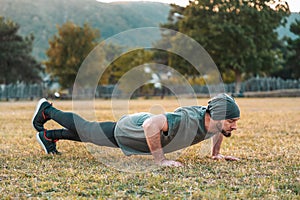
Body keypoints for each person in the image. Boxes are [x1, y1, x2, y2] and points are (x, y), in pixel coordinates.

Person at [32, 93, 240, 167]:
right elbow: (151, 125)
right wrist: (160, 160)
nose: (234, 126)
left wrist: (216, 154)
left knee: (93, 136)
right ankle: (47, 110)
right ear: (217, 116)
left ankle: (49, 136)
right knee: (88, 130)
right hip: (135, 129)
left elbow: (219, 132)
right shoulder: (186, 120)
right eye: (231, 120)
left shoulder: (214, 122)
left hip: (140, 135)